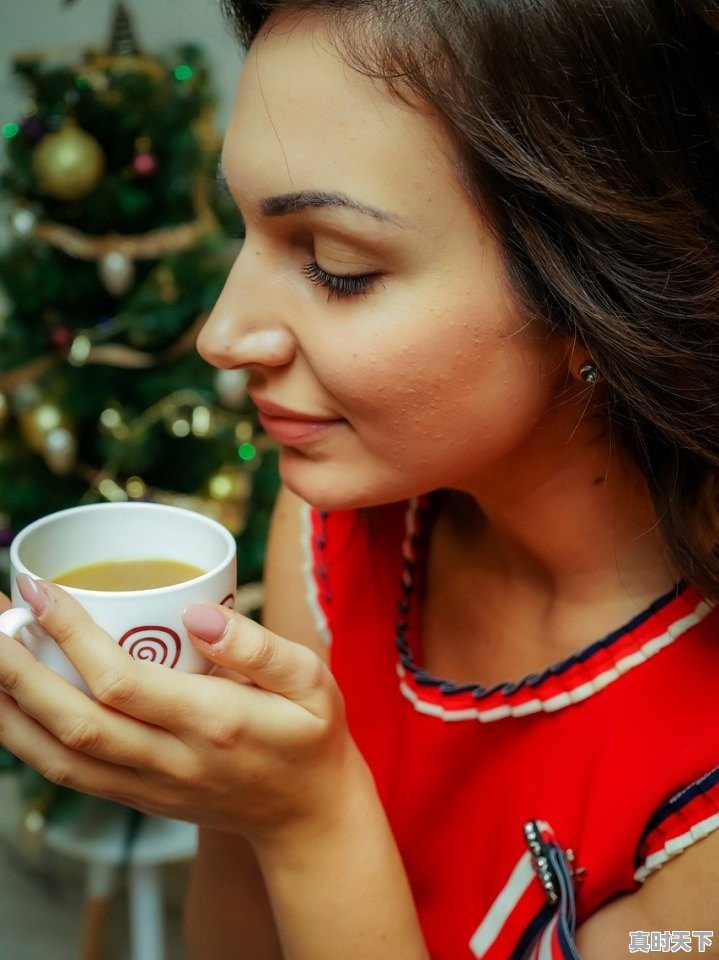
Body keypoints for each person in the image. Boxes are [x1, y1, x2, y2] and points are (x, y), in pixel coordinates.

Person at [1, 1, 719, 957]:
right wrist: (237, 797)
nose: (220, 338)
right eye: (243, 230)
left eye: (336, 267)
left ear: (598, 288)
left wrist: (309, 824)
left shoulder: (695, 805)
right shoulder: (333, 528)